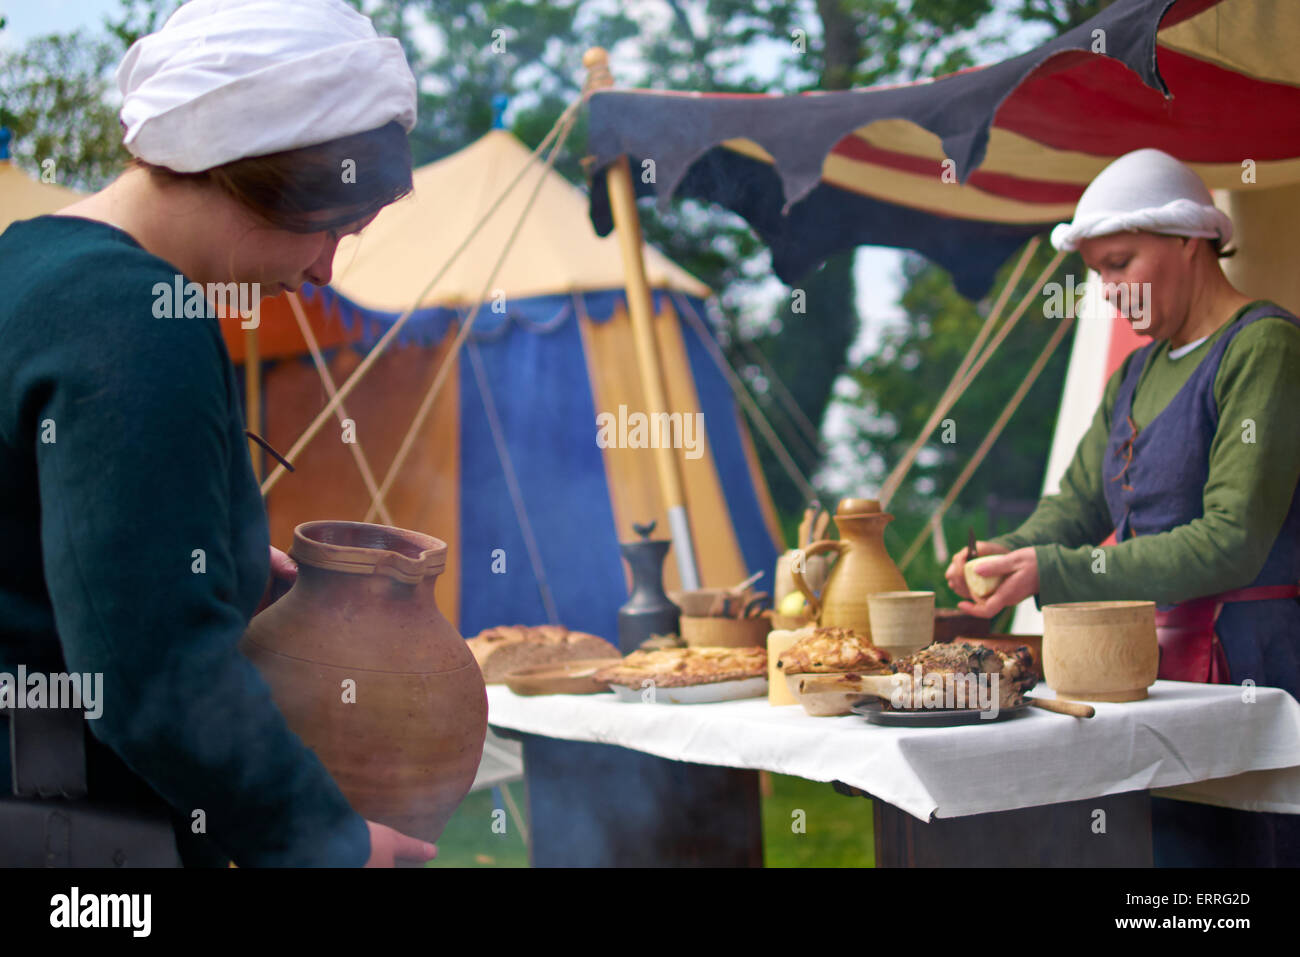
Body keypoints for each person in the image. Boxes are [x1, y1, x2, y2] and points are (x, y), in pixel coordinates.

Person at [0, 0, 433, 866]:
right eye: (333, 231)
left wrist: (216, 562)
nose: (322, 272)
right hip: (68, 838)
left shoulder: (27, 261)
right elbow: (146, 675)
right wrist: (326, 840)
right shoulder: (134, 319)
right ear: (270, 180)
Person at [944, 148, 1300, 867]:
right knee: (1174, 878)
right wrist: (1009, 553)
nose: (1108, 289)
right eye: (1099, 271)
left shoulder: (1264, 346)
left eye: (1121, 262)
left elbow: (1233, 540)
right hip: (1153, 672)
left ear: (1189, 241)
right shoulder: (1136, 372)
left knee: (1250, 867)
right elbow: (1074, 506)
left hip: (1256, 670)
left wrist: (1056, 569)